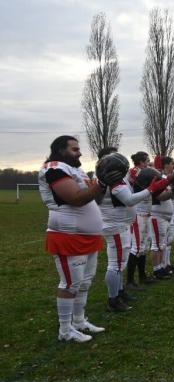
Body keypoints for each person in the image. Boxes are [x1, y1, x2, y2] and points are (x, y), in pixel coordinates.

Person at [38, 136, 106, 342]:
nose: (80, 153)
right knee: (70, 283)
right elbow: (75, 199)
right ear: (61, 150)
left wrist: (103, 184)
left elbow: (95, 198)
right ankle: (65, 330)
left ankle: (78, 321)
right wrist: (101, 182)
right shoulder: (54, 167)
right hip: (68, 234)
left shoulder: (77, 170)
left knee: (84, 282)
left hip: (87, 235)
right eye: (75, 149)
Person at [98, 147, 169, 312]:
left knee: (119, 264)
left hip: (121, 223)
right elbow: (129, 200)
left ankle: (120, 291)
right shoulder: (108, 177)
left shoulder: (116, 176)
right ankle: (113, 299)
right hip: (115, 224)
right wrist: (150, 189)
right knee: (115, 265)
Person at [126, 151, 156, 289]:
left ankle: (142, 276)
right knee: (136, 247)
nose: (148, 163)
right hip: (138, 212)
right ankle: (130, 280)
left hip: (146, 212)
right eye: (146, 160)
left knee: (143, 247)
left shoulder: (144, 171)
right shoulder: (134, 171)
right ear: (141, 161)